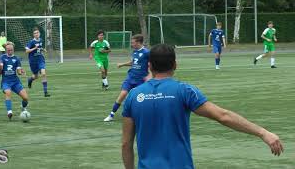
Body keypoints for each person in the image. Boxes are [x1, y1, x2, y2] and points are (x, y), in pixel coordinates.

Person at [122, 44, 284, 169]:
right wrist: (263, 133)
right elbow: (223, 116)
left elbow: (126, 144)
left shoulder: (133, 95)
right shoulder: (183, 91)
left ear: (149, 66)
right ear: (175, 65)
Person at [104, 34, 150, 122]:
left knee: (139, 98)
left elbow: (152, 64)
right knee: (123, 94)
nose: (131, 44)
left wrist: (149, 75)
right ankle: (111, 114)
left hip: (140, 80)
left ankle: (140, 115)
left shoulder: (147, 53)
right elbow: (133, 62)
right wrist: (122, 64)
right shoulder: (135, 52)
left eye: (133, 42)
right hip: (131, 77)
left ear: (138, 42)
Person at [0, 42, 29, 120]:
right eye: (8, 50)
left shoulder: (16, 59)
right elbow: (0, 67)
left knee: (26, 98)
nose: (10, 51)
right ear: (6, 50)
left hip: (15, 81)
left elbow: (18, 72)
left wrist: (22, 72)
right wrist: (0, 66)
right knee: (8, 93)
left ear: (13, 50)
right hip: (6, 81)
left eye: (11, 50)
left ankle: (23, 107)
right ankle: (9, 112)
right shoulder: (2, 57)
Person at [25, 27, 50, 97]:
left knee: (43, 73)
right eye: (35, 33)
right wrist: (34, 48)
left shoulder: (41, 40)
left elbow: (39, 47)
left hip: (40, 59)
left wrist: (43, 49)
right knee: (36, 76)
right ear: (33, 35)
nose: (36, 34)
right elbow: (27, 51)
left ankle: (45, 92)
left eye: (37, 33)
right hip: (33, 61)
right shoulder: (31, 42)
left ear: (39, 33)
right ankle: (30, 80)